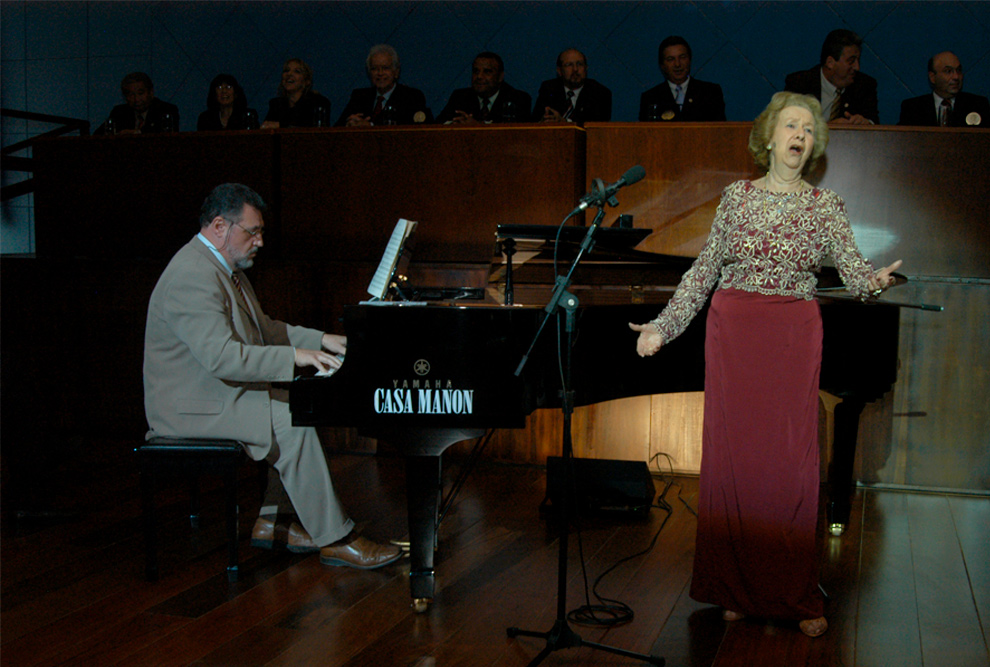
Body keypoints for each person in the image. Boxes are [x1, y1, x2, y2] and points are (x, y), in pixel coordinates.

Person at [629, 92, 902, 637]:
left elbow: (852, 274)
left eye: (808, 127)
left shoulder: (826, 206)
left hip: (792, 337)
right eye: (791, 124)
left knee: (790, 465)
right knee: (737, 463)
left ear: (812, 144)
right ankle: (733, 587)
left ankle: (795, 594)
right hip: (735, 335)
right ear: (770, 137)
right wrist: (663, 325)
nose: (800, 133)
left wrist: (874, 282)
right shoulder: (736, 197)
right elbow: (705, 270)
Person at [143, 183, 402, 570]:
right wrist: (298, 357)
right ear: (219, 226)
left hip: (213, 395)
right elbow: (222, 359)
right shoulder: (192, 275)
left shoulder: (223, 266)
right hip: (188, 407)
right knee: (291, 420)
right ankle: (336, 539)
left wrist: (323, 340)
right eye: (253, 231)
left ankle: (273, 521)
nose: (261, 241)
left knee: (295, 406)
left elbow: (264, 329)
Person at [785, 29, 879, 125]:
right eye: (851, 61)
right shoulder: (799, 84)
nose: (857, 67)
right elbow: (786, 126)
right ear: (830, 63)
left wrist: (866, 123)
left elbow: (875, 123)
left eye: (858, 60)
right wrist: (828, 129)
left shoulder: (865, 85)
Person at [335, 44, 432, 127]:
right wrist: (349, 124)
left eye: (385, 68)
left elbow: (411, 131)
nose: (380, 73)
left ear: (396, 72)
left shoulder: (412, 97)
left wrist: (370, 127)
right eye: (374, 69)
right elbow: (337, 128)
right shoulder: (359, 97)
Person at [638, 36, 725, 122]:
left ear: (689, 60)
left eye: (682, 57)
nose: (677, 64)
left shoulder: (710, 93)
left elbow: (720, 131)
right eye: (671, 59)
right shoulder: (651, 98)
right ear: (662, 65)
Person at [435, 52, 532, 124]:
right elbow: (436, 128)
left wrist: (478, 128)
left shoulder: (518, 99)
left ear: (500, 77)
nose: (479, 76)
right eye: (476, 71)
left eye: (487, 72)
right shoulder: (460, 97)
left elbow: (517, 137)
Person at [898, 51, 990, 128]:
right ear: (932, 77)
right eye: (948, 71)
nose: (956, 77)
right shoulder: (913, 108)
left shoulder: (978, 105)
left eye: (958, 70)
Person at [531, 48, 612, 124]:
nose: (575, 69)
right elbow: (534, 121)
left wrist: (564, 123)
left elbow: (595, 129)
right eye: (569, 65)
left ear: (586, 68)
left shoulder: (600, 93)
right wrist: (541, 122)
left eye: (579, 64)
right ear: (559, 71)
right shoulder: (549, 88)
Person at [96, 72, 180, 135]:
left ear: (151, 93)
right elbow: (98, 135)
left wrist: (136, 133)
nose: (136, 99)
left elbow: (165, 134)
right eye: (131, 95)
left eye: (140, 93)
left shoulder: (166, 109)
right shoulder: (119, 112)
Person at [261, 58, 332, 128]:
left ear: (307, 81)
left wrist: (281, 126)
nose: (289, 74)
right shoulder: (276, 105)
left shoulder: (318, 102)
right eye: (286, 70)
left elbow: (309, 127)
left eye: (297, 71)